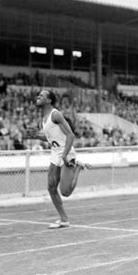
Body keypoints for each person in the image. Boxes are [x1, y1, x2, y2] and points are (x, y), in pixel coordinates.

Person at [35, 90, 88, 229]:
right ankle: (64, 219)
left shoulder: (55, 114)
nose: (38, 97)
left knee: (65, 192)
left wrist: (64, 155)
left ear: (49, 100)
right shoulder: (44, 118)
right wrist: (37, 136)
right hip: (55, 153)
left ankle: (77, 168)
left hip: (66, 153)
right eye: (38, 95)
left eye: (42, 95)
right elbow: (52, 138)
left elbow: (70, 135)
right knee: (51, 187)